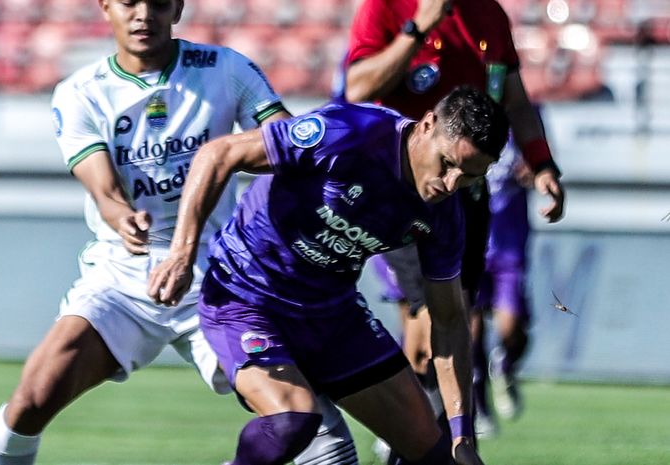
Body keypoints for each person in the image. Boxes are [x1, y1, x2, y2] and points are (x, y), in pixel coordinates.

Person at [0, 1, 357, 464]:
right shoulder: (80, 91)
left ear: (176, 8)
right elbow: (104, 191)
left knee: (305, 423)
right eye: (128, 2)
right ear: (105, 7)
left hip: (220, 279)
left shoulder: (225, 69)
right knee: (32, 399)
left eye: (156, 2)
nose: (142, 14)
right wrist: (122, 217)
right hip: (121, 277)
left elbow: (283, 143)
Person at [148, 86, 510, 465]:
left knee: (437, 458)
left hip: (333, 315)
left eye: (469, 176)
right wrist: (181, 253)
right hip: (247, 297)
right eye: (447, 163)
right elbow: (218, 153)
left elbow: (450, 322)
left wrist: (462, 437)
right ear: (427, 125)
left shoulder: (446, 214)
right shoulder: (352, 131)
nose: (450, 184)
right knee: (292, 421)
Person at [343, 0, 566, 439]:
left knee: (451, 325)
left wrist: (541, 163)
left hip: (467, 197)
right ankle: (413, 437)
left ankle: (432, 435)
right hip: (402, 190)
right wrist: (416, 29)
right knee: (430, 323)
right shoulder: (385, 7)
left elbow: (515, 101)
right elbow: (357, 88)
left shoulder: (489, 14)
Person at [472, 131, 533, 427]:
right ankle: (478, 407)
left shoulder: (524, 114)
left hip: (508, 246)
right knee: (469, 331)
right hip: (470, 245)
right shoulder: (466, 113)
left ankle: (504, 364)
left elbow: (539, 159)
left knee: (512, 328)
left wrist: (535, 169)